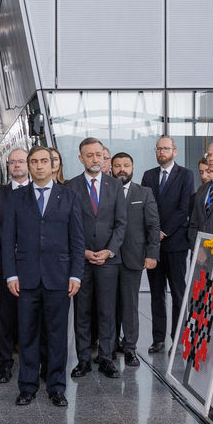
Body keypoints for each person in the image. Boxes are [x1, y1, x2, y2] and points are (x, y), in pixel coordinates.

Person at [3, 146, 83, 407]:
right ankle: (27, 387)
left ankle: (56, 387)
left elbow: (77, 240)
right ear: (29, 166)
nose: (39, 166)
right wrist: (10, 274)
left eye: (44, 161)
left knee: (57, 336)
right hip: (25, 278)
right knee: (27, 334)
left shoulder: (69, 196)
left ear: (53, 165)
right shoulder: (16, 198)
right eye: (34, 161)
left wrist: (76, 275)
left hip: (59, 278)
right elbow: (8, 240)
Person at [67, 137, 128, 379]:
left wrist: (109, 250)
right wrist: (82, 251)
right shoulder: (71, 186)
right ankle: (83, 360)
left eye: (98, 154)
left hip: (108, 261)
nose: (95, 159)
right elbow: (68, 225)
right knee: (82, 312)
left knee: (107, 311)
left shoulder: (115, 186)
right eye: (89, 155)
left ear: (105, 157)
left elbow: (121, 223)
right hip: (80, 260)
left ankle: (106, 358)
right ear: (81, 158)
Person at [142, 136, 197, 355]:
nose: (161, 152)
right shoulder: (148, 175)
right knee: (156, 294)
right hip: (154, 246)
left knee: (177, 293)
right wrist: (152, 235)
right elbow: (145, 208)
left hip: (175, 243)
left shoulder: (186, 175)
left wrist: (163, 232)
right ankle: (158, 339)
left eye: (165, 149)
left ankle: (178, 339)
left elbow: (184, 209)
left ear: (175, 152)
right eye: (158, 149)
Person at [112, 153, 160, 367]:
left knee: (130, 304)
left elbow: (153, 225)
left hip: (134, 257)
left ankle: (130, 347)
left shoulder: (144, 192)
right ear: (111, 168)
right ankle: (110, 346)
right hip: (108, 257)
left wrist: (152, 254)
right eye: (117, 165)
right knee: (108, 305)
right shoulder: (105, 191)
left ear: (132, 168)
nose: (122, 169)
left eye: (126, 165)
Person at [0, 148, 28, 383]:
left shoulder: (38, 191)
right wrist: (12, 242)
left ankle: (32, 361)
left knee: (31, 314)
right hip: (5, 261)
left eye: (21, 161)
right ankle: (5, 363)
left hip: (33, 263)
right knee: (5, 315)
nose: (16, 165)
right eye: (12, 162)